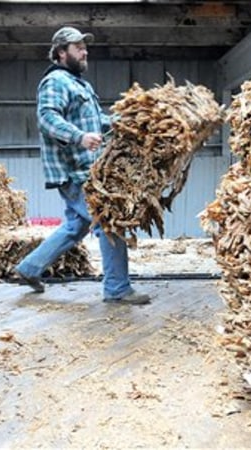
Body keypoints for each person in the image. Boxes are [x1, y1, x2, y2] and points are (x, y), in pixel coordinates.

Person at [14, 26, 150, 305]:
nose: (85, 51)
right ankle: (117, 289)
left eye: (85, 47)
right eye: (78, 47)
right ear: (62, 52)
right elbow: (47, 118)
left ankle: (29, 268)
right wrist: (79, 137)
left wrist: (130, 124)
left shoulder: (80, 85)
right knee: (110, 222)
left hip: (86, 168)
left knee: (76, 225)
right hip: (74, 169)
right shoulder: (55, 82)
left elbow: (98, 121)